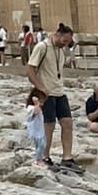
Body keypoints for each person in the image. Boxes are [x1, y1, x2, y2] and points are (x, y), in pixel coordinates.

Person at [27, 21, 77, 167]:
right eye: (64, 40)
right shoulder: (42, 47)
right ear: (57, 34)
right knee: (48, 125)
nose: (66, 44)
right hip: (47, 93)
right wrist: (40, 87)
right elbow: (30, 69)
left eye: (68, 42)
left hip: (59, 92)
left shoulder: (61, 50)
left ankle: (67, 158)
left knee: (67, 123)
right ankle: (44, 157)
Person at [24, 89, 47, 162]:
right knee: (40, 146)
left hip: (40, 131)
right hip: (35, 132)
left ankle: (39, 158)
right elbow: (36, 112)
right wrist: (36, 103)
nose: (42, 104)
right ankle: (38, 160)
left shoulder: (39, 108)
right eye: (41, 101)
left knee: (42, 145)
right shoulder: (31, 107)